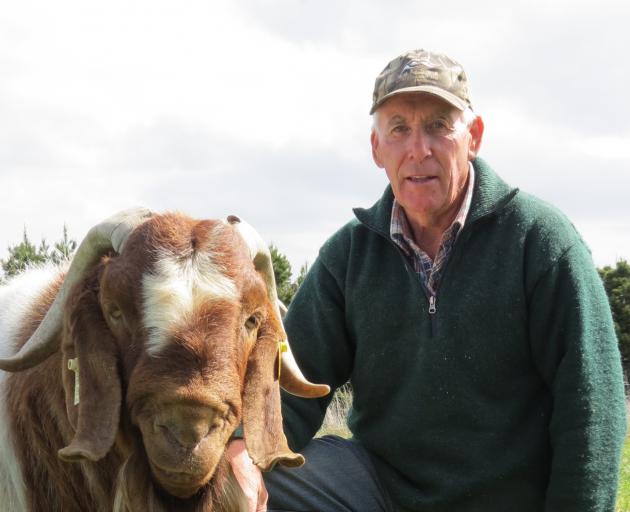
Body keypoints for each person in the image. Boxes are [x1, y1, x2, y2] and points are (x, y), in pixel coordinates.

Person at [232, 48, 628, 511]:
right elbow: (288, 383)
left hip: (506, 500)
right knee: (252, 479)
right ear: (377, 148)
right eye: (399, 128)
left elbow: (591, 410)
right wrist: (243, 448)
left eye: (439, 125)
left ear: (473, 136)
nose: (418, 149)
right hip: (383, 491)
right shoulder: (349, 257)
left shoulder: (539, 242)